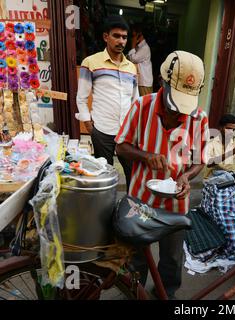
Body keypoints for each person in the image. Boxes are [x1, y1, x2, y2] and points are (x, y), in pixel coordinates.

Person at [115, 50, 209, 299]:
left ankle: (165, 294)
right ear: (162, 82)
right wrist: (146, 156)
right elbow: (121, 146)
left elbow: (199, 161)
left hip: (176, 204)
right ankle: (134, 293)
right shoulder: (142, 106)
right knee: (137, 256)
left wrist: (186, 177)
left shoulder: (199, 118)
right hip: (140, 199)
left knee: (172, 258)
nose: (179, 113)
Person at [76, 15, 137, 190]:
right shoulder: (91, 63)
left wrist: (135, 126)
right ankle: (106, 211)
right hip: (102, 129)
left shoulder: (131, 68)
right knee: (105, 173)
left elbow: (135, 100)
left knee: (132, 172)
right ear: (105, 37)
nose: (121, 41)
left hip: (126, 131)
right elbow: (81, 96)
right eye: (116, 36)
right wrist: (87, 122)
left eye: (124, 37)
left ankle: (131, 210)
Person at [128, 23, 153, 96]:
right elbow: (128, 57)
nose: (132, 38)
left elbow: (132, 59)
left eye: (133, 36)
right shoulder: (138, 47)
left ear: (139, 35)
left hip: (144, 83)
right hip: (141, 81)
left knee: (145, 105)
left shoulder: (145, 48)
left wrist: (132, 45)